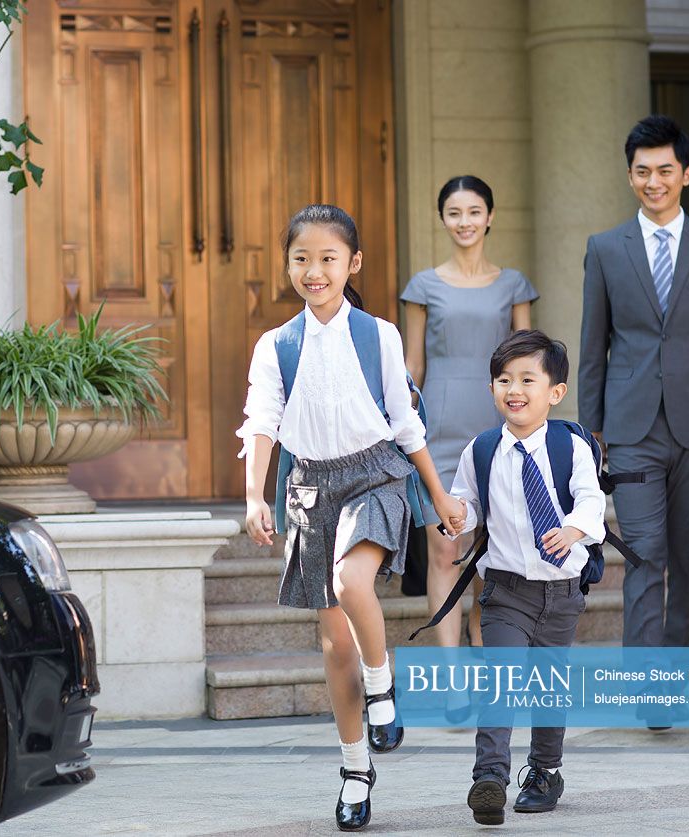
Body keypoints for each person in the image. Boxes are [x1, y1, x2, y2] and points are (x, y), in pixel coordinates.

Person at [239, 204, 464, 831]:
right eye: (302, 259)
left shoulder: (380, 335)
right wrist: (256, 495)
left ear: (352, 264)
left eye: (328, 258)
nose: (315, 271)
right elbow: (262, 422)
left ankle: (384, 686)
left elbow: (405, 422)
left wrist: (439, 496)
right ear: (288, 265)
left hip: (375, 475)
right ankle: (355, 768)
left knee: (351, 583)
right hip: (311, 487)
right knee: (336, 642)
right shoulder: (274, 346)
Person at [578, 116, 689, 673]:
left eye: (663, 170)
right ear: (630, 176)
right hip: (630, 431)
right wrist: (591, 430)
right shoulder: (606, 249)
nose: (652, 181)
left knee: (687, 558)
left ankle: (678, 677)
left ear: (685, 174)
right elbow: (593, 345)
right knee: (642, 555)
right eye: (641, 171)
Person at [446, 330, 605, 825]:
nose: (513, 389)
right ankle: (489, 777)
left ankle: (544, 771)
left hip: (560, 592)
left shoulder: (570, 445)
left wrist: (573, 529)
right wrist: (455, 515)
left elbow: (591, 500)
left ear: (554, 392)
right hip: (506, 591)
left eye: (526, 379)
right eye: (503, 379)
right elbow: (469, 505)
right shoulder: (482, 448)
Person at [401, 176, 537, 654]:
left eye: (474, 212)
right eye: (455, 213)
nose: (465, 222)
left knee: (489, 550)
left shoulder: (514, 284)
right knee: (444, 550)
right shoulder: (423, 286)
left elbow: (527, 365)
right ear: (443, 218)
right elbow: (412, 365)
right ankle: (451, 668)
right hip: (437, 427)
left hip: (498, 426)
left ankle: (484, 644)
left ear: (490, 217)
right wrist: (398, 428)